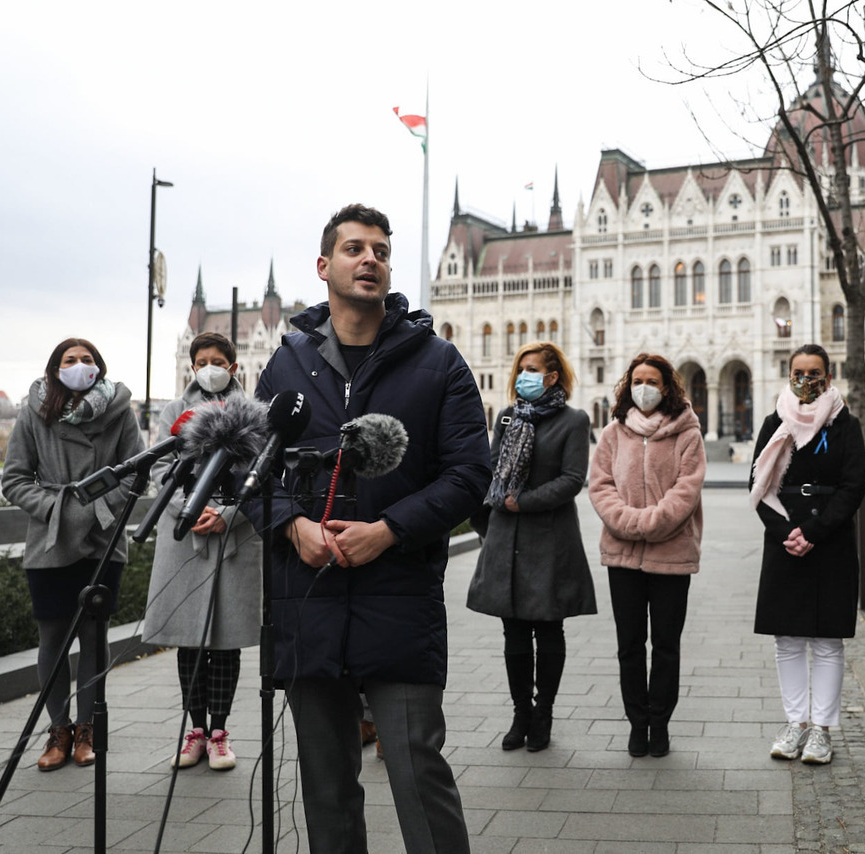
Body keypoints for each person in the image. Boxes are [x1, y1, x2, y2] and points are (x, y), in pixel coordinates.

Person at [246, 204, 490, 854]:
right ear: (325, 266)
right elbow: (250, 469)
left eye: (380, 249)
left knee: (417, 769)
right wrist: (291, 523)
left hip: (400, 600)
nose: (370, 258)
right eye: (354, 248)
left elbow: (470, 475)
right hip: (309, 601)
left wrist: (389, 529)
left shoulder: (439, 363)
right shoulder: (287, 367)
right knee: (325, 788)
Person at [3, 338, 144, 771]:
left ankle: (88, 730)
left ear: (99, 367)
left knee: (93, 640)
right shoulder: (33, 412)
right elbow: (14, 479)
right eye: (70, 360)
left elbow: (139, 472)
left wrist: (98, 508)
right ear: (54, 368)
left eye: (87, 360)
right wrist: (57, 509)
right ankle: (58, 730)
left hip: (102, 541)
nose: (79, 365)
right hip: (50, 539)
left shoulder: (121, 412)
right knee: (52, 640)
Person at [467, 341, 596, 752]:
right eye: (521, 367)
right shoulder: (507, 417)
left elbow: (573, 479)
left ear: (553, 376)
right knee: (514, 633)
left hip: (549, 538)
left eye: (533, 368)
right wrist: (488, 515)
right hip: (507, 538)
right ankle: (520, 712)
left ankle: (544, 713)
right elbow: (491, 468)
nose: (524, 375)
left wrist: (523, 501)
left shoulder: (574, 421)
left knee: (549, 628)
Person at [144, 332, 258, 772]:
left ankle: (220, 733)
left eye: (218, 360)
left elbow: (263, 474)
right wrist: (190, 511)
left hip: (234, 535)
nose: (209, 367)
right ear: (192, 366)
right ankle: (194, 730)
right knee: (190, 639)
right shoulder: (174, 410)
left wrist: (228, 515)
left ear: (232, 366)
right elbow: (158, 467)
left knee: (226, 642)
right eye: (202, 360)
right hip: (186, 535)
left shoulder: (252, 412)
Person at [750, 344, 865, 765]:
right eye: (798, 372)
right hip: (784, 537)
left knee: (827, 640)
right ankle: (794, 723)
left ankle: (821, 729)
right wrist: (786, 532)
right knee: (788, 638)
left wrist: (814, 531)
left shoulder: (845, 426)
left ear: (828, 378)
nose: (806, 380)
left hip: (829, 538)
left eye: (814, 373)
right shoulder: (773, 422)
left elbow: (854, 484)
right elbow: (759, 484)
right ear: (788, 375)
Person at [588, 354, 705, 758]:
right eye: (637, 380)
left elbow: (687, 490)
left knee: (666, 645)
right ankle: (638, 724)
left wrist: (648, 522)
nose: (644, 387)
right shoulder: (613, 433)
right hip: (622, 557)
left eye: (652, 380)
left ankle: (661, 723)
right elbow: (600, 484)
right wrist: (626, 521)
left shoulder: (687, 433)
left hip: (672, 554)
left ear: (667, 386)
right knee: (630, 645)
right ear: (627, 386)